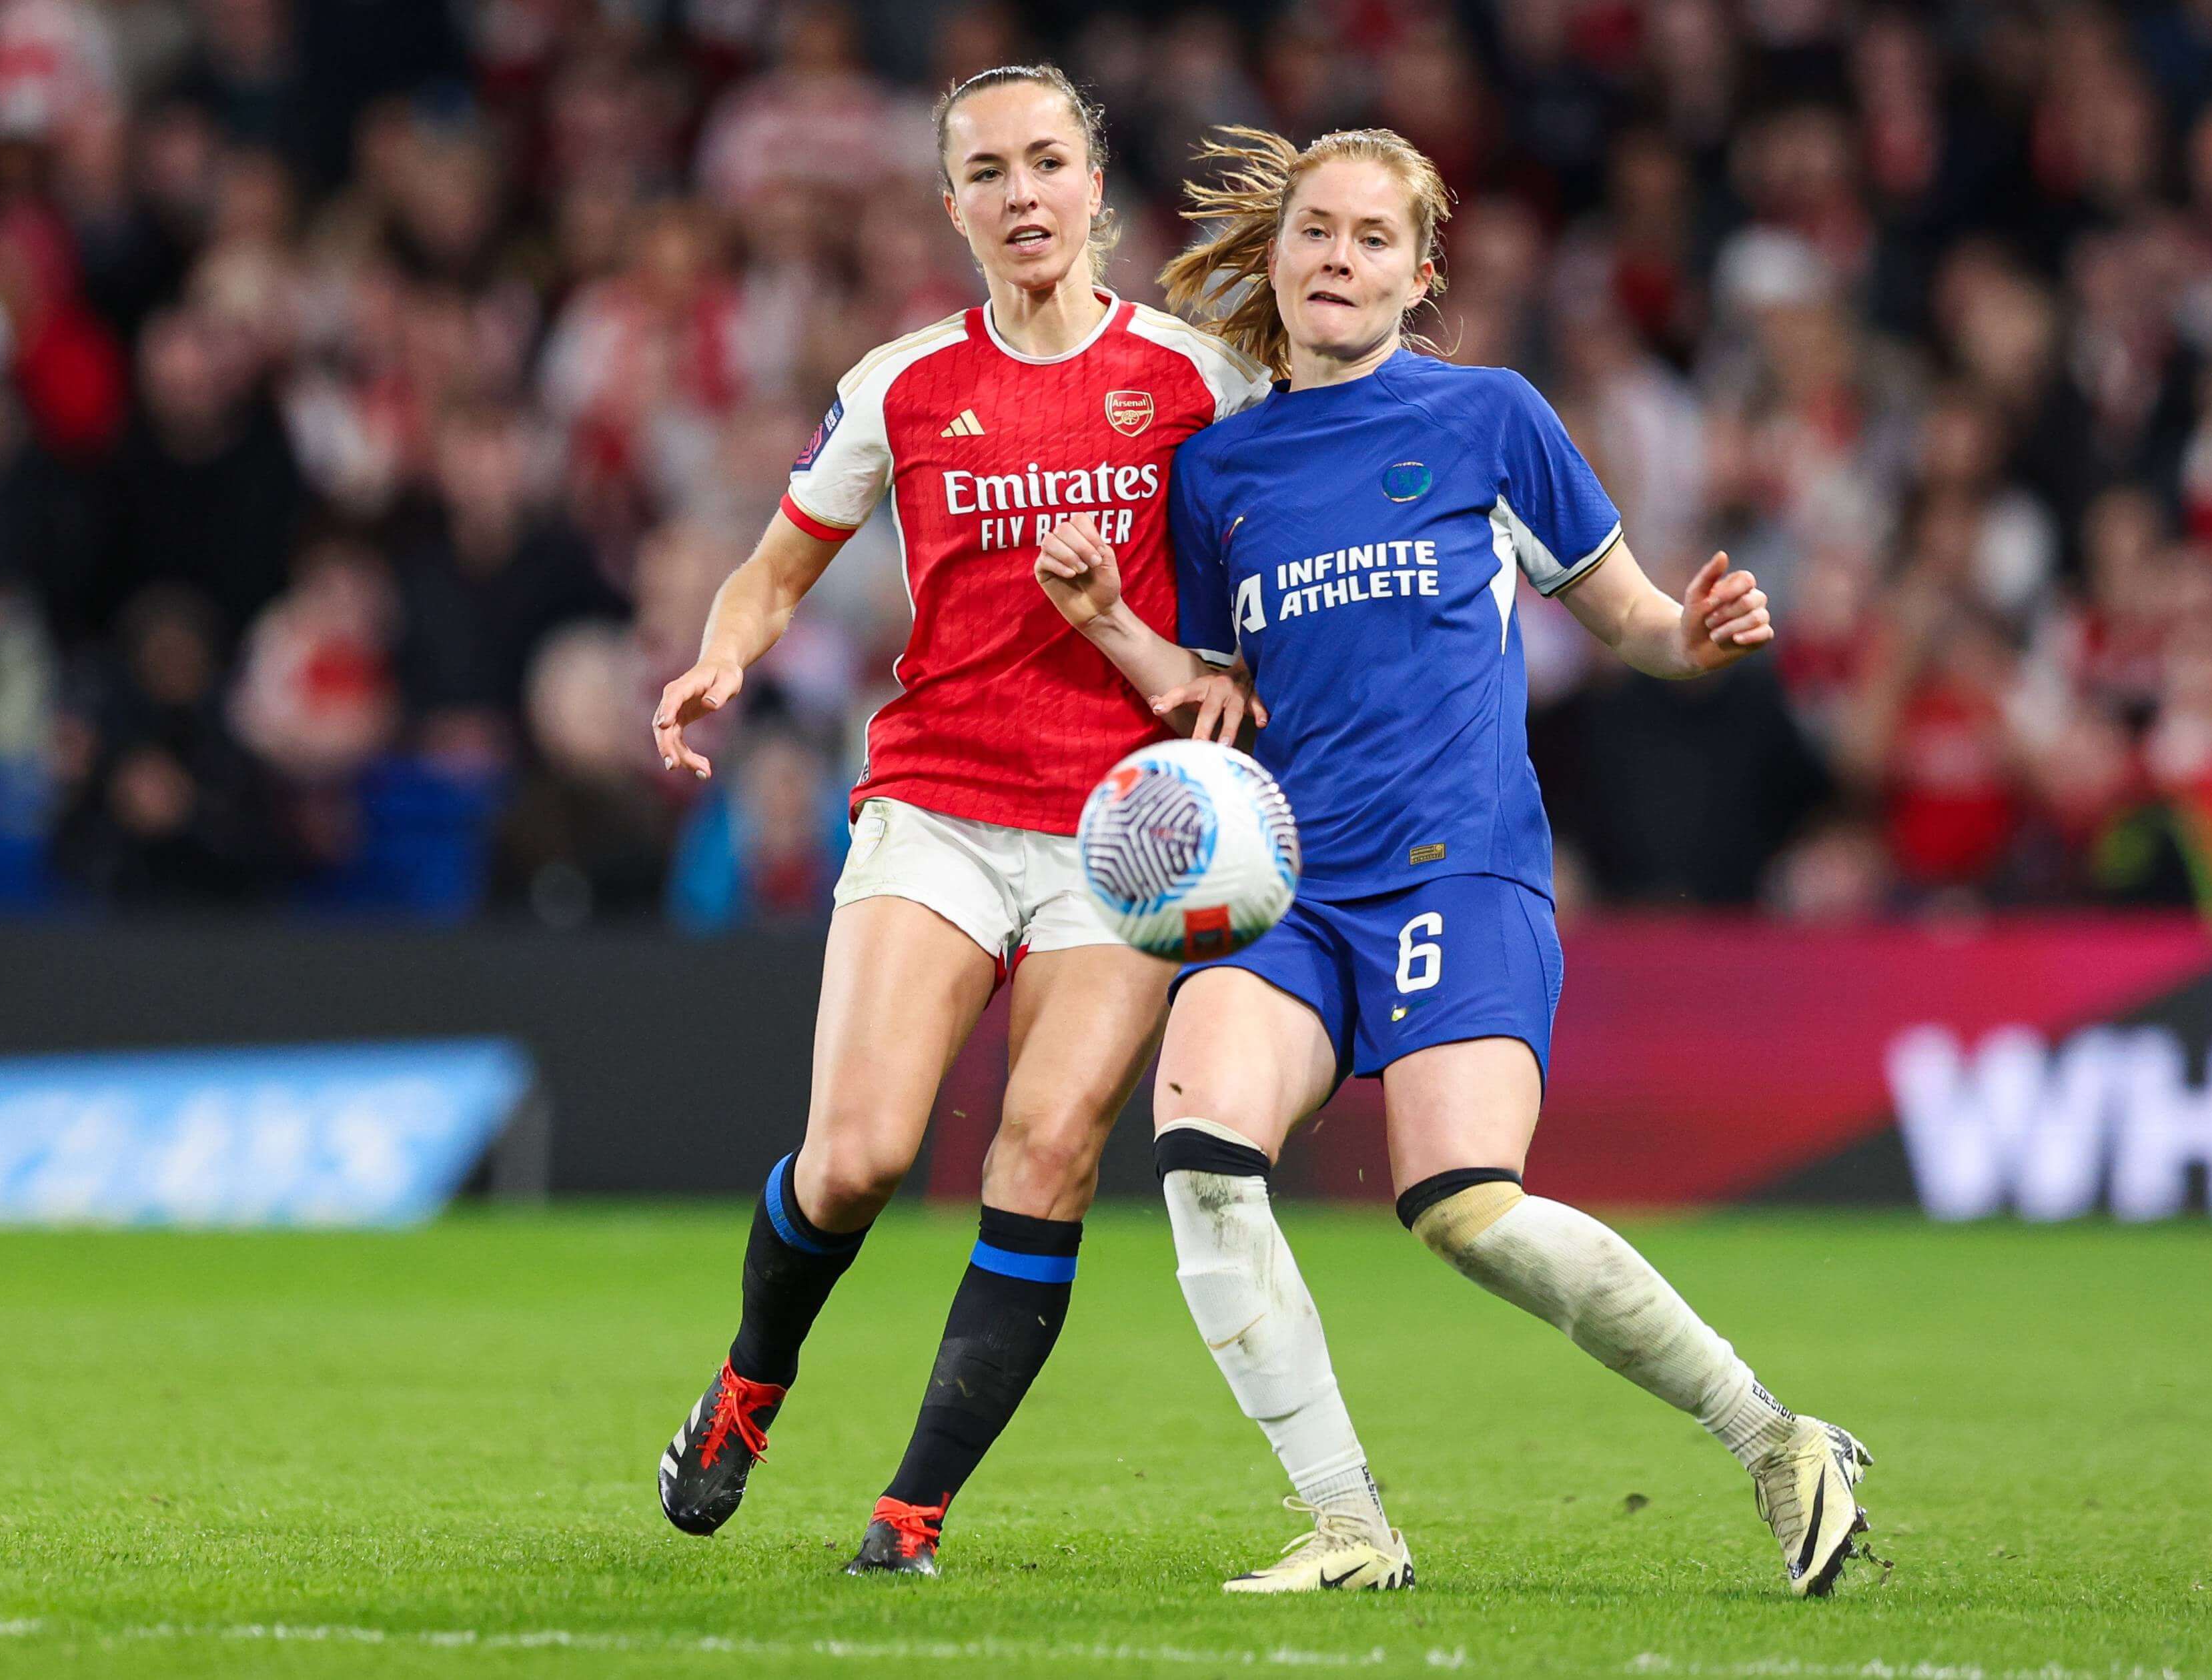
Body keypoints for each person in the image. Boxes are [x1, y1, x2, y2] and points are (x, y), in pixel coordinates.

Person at [1034, 126, 1876, 1596]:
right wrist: (1113, 623)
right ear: (1276, 255)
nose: (1336, 260)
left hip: (1452, 868)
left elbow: (1623, 616)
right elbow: (1219, 688)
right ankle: (1350, 1526)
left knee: (1460, 1207)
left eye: (1371, 240)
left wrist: (1692, 636)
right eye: (1315, 234)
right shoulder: (1217, 471)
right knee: (1202, 1159)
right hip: (1288, 887)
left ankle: (1775, 1440)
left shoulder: (1489, 417)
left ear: (1418, 275)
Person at [648, 65, 1266, 1577]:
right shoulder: (902, 383)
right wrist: (727, 647)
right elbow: (776, 568)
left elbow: (1256, 602)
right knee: (855, 1159)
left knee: (1043, 1154)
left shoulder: (1200, 380)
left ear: (1093, 185)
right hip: (935, 800)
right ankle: (747, 1386)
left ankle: (908, 1517)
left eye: (1045, 163)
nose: (1020, 195)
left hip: (1123, 829)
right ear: (952, 209)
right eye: (985, 173)